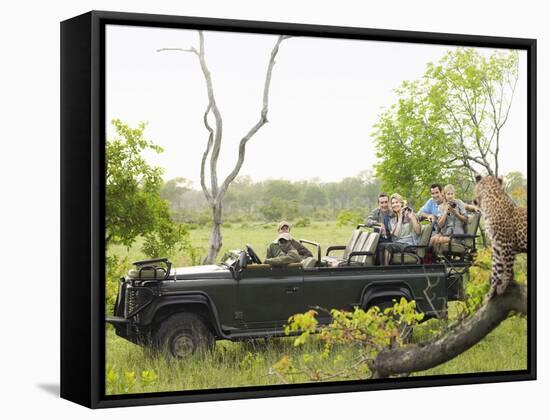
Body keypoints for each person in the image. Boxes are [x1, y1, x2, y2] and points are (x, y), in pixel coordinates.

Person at [384, 193, 421, 265]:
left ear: (401, 203)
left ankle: (385, 270)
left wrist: (412, 218)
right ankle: (384, 269)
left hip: (409, 245)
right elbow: (395, 235)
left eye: (397, 202)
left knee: (387, 246)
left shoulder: (410, 215)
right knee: (382, 245)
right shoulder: (392, 220)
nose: (395, 205)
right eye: (393, 203)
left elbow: (418, 232)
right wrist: (400, 217)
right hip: (398, 244)